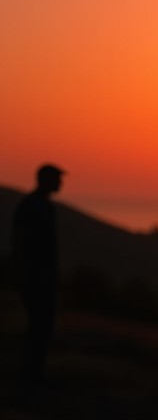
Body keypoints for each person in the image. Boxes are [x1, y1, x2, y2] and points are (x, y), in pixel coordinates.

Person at [10, 162, 65, 392]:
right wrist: (24, 276)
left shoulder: (43, 206)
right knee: (38, 327)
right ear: (45, 180)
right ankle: (30, 376)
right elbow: (20, 243)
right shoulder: (32, 206)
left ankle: (34, 373)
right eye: (57, 178)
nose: (61, 183)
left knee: (42, 327)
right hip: (35, 278)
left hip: (44, 278)